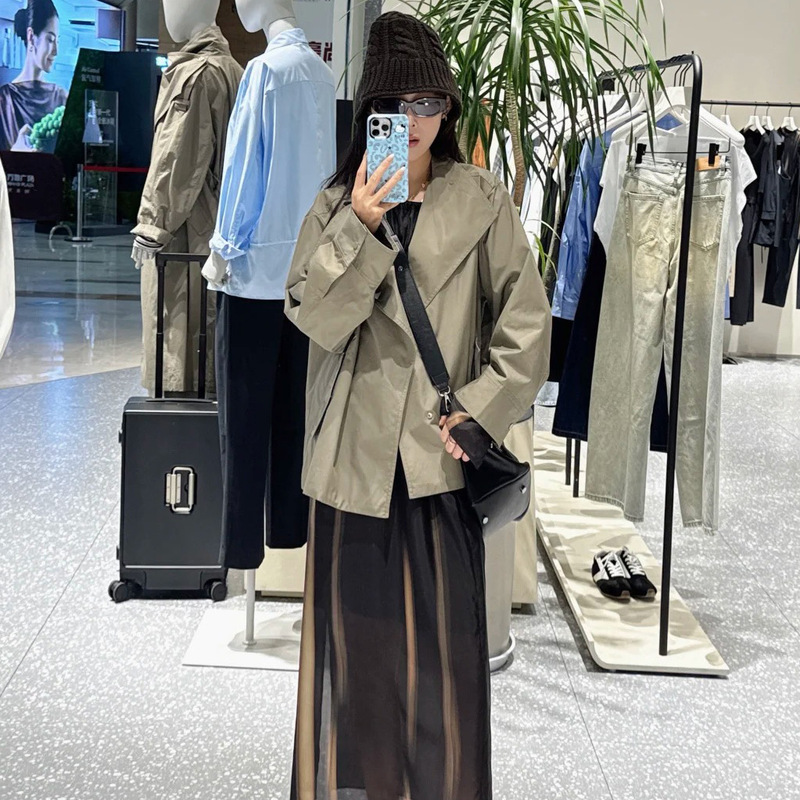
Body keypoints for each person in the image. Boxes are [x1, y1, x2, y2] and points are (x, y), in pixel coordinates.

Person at [285, 11, 551, 800]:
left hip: (439, 458)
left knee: (443, 659)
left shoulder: (483, 201)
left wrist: (480, 409)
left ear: (449, 108)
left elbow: (527, 327)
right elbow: (312, 317)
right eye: (396, 106)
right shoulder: (337, 204)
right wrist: (360, 229)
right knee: (359, 661)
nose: (414, 121)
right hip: (354, 464)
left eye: (429, 102)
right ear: (371, 111)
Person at [0, 0, 66, 152]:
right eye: (50, 40)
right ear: (31, 37)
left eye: (58, 41)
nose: (56, 51)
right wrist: (15, 154)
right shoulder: (4, 100)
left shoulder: (62, 97)